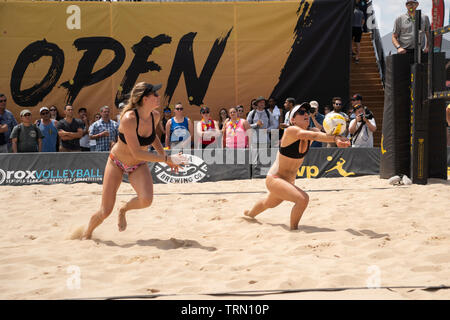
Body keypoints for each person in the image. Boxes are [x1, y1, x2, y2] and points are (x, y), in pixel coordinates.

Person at [82, 82, 187, 240]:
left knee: (146, 200)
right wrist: (166, 158)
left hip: (137, 165)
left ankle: (124, 209)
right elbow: (137, 153)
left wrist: (167, 159)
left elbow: (153, 138)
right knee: (105, 211)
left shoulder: (155, 116)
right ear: (145, 98)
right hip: (116, 162)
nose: (159, 97)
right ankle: (86, 234)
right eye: (155, 94)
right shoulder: (129, 119)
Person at [243, 103, 350, 230]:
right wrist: (335, 138)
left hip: (288, 181)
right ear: (292, 119)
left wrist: (338, 139)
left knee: (269, 203)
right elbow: (316, 136)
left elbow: (322, 136)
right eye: (301, 112)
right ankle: (294, 230)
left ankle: (249, 214)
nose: (306, 114)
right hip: (275, 178)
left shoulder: (312, 130)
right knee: (303, 199)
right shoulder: (291, 130)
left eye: (307, 112)